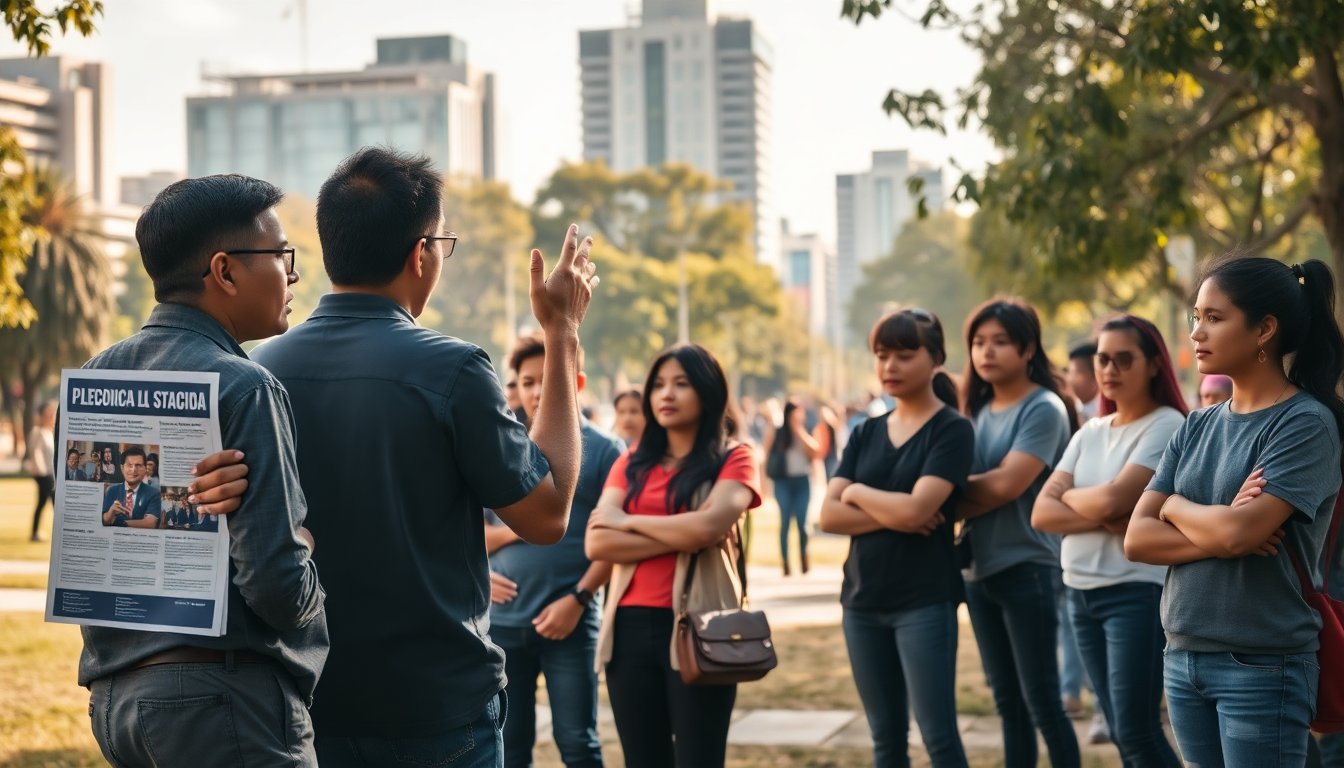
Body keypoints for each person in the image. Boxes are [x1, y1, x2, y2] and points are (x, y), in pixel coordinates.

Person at [252, 147, 597, 768]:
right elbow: (546, 517)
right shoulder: (452, 369)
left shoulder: (260, 369)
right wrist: (562, 334)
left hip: (309, 696)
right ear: (421, 254)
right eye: (444, 243)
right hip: (436, 706)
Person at [81, 173, 326, 767]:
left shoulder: (94, 380)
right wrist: (307, 558)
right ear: (225, 270)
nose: (292, 274)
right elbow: (277, 588)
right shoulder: (246, 388)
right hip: (226, 706)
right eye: (281, 255)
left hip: (116, 701)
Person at [1125, 256, 1343, 768]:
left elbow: (1241, 533)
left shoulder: (1304, 424)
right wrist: (1217, 525)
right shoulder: (1197, 424)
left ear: (1265, 329)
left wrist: (1175, 507)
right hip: (1182, 654)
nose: (1197, 332)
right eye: (1196, 316)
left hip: (1262, 662)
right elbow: (1137, 539)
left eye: (1214, 318)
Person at [585, 344, 762, 768]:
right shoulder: (631, 463)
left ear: (708, 392)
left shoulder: (735, 457)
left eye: (681, 384)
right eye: (659, 385)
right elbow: (597, 545)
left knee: (700, 758)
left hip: (699, 627)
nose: (666, 394)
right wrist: (685, 533)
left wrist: (625, 521)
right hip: (627, 628)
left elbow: (709, 526)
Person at [819, 308, 973, 768]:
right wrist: (898, 510)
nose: (890, 366)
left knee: (938, 736)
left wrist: (858, 492)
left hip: (924, 601)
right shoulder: (865, 430)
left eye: (904, 355)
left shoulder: (952, 429)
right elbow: (829, 515)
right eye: (882, 355)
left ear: (936, 359)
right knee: (885, 739)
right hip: (861, 601)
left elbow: (916, 512)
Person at [1031, 315, 1187, 767]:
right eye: (1103, 359)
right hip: (1079, 595)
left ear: (1154, 365)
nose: (1110, 369)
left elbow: (1116, 500)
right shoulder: (1090, 431)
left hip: (1134, 593)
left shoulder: (1165, 424)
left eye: (1124, 359)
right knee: (1121, 731)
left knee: (1136, 730)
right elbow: (1042, 512)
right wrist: (1104, 512)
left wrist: (1078, 499)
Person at [486, 334, 623, 768]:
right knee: (509, 747)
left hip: (572, 623)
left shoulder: (604, 450)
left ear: (576, 381)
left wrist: (579, 599)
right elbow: (469, 531)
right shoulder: (498, 444)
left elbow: (613, 542)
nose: (537, 390)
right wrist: (482, 572)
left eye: (549, 378)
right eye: (527, 381)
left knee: (578, 744)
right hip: (504, 624)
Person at [957, 298, 1082, 768]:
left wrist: (934, 500)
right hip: (979, 570)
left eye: (1000, 342)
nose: (986, 352)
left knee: (1043, 703)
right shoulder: (979, 410)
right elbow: (980, 487)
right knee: (1006, 703)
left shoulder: (1043, 408)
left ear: (1028, 349)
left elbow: (1006, 485)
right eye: (978, 343)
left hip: (1027, 566)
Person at [764, 398, 820, 576]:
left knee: (803, 523)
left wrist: (799, 431)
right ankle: (785, 563)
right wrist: (764, 482)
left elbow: (816, 451)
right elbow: (766, 455)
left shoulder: (805, 430)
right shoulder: (778, 432)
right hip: (783, 481)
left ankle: (804, 557)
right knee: (785, 522)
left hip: (802, 481)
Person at [100, 447, 163, 528]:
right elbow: (104, 520)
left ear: (145, 469)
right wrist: (110, 512)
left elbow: (150, 523)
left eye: (138, 465)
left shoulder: (153, 493)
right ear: (122, 468)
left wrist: (121, 523)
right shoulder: (112, 490)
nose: (133, 470)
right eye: (129, 465)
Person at [23, 401, 56, 541]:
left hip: (50, 474)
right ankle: (37, 533)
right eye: (48, 413)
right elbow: (34, 452)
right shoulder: (38, 432)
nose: (51, 415)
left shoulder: (50, 432)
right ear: (42, 415)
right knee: (53, 501)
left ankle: (35, 533)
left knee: (44, 502)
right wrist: (41, 471)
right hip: (44, 474)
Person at [1066, 341, 1100, 422]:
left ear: (1095, 376)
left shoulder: (1106, 413)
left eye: (1076, 373)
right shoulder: (1071, 412)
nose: (1069, 379)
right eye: (1069, 373)